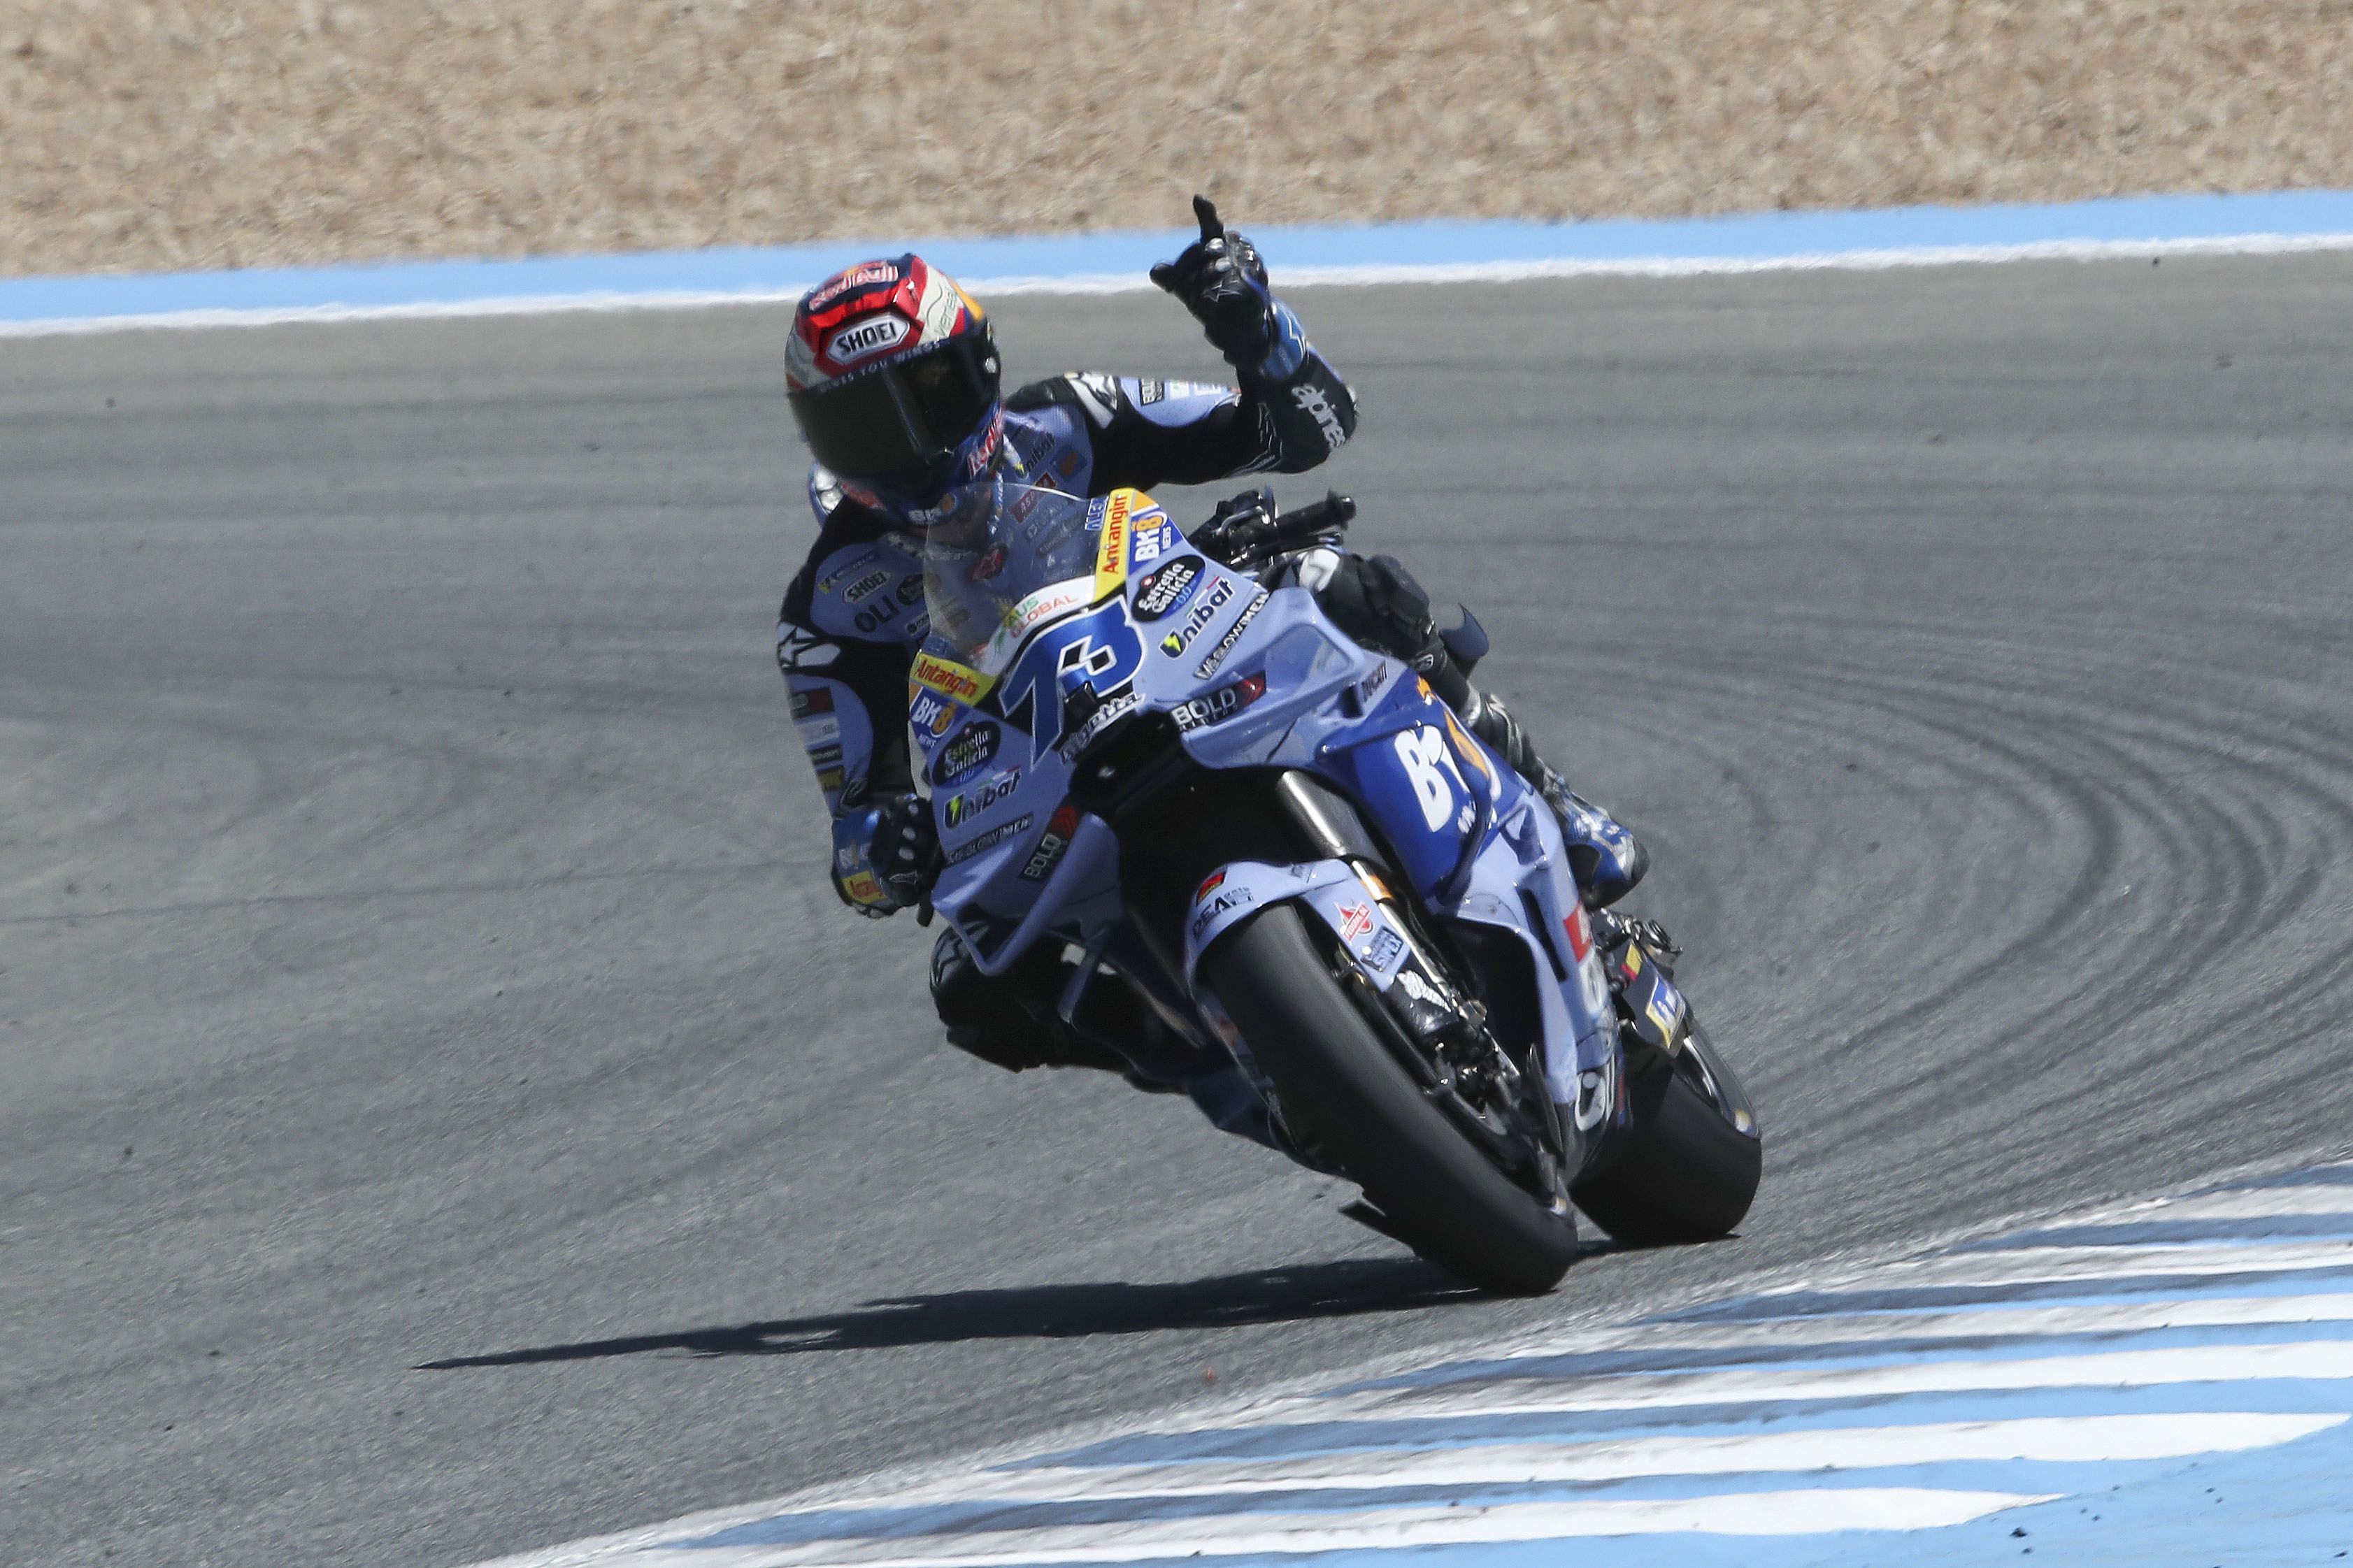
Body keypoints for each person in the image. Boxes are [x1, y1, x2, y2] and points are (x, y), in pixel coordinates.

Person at [775, 198, 1645, 1081]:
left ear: (981, 368)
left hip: (1182, 656)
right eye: (865, 425)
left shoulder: (1066, 421)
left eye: (927, 395)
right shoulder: (826, 610)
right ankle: (1233, 1070)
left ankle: (1549, 798)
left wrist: (1255, 330)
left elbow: (1308, 430)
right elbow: (856, 833)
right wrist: (886, 849)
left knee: (1339, 581)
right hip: (1037, 785)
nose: (910, 444)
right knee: (969, 983)